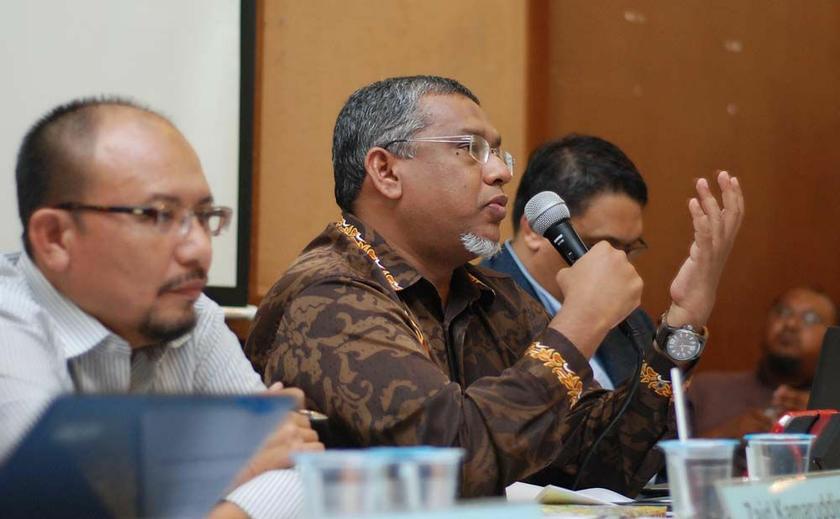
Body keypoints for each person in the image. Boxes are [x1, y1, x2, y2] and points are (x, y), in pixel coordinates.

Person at [245, 75, 744, 497]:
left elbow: (601, 466)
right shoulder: (329, 297)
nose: (501, 172)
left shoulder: (493, 295)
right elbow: (449, 465)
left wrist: (683, 322)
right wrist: (581, 321)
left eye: (500, 153)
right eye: (470, 150)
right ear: (386, 171)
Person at [0, 98, 323, 519]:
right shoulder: (10, 326)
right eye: (157, 215)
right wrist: (233, 466)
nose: (200, 249)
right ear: (56, 237)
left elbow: (294, 464)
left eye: (205, 216)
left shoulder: (190, 314)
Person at [482, 134, 653, 389]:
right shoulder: (479, 308)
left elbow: (663, 420)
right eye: (601, 244)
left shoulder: (631, 320)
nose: (619, 261)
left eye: (629, 247)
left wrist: (687, 320)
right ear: (535, 230)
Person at [688, 286, 837, 438]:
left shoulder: (834, 407)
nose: (791, 324)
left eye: (810, 319)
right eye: (783, 312)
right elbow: (669, 457)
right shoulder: (705, 390)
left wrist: (824, 421)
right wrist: (725, 435)